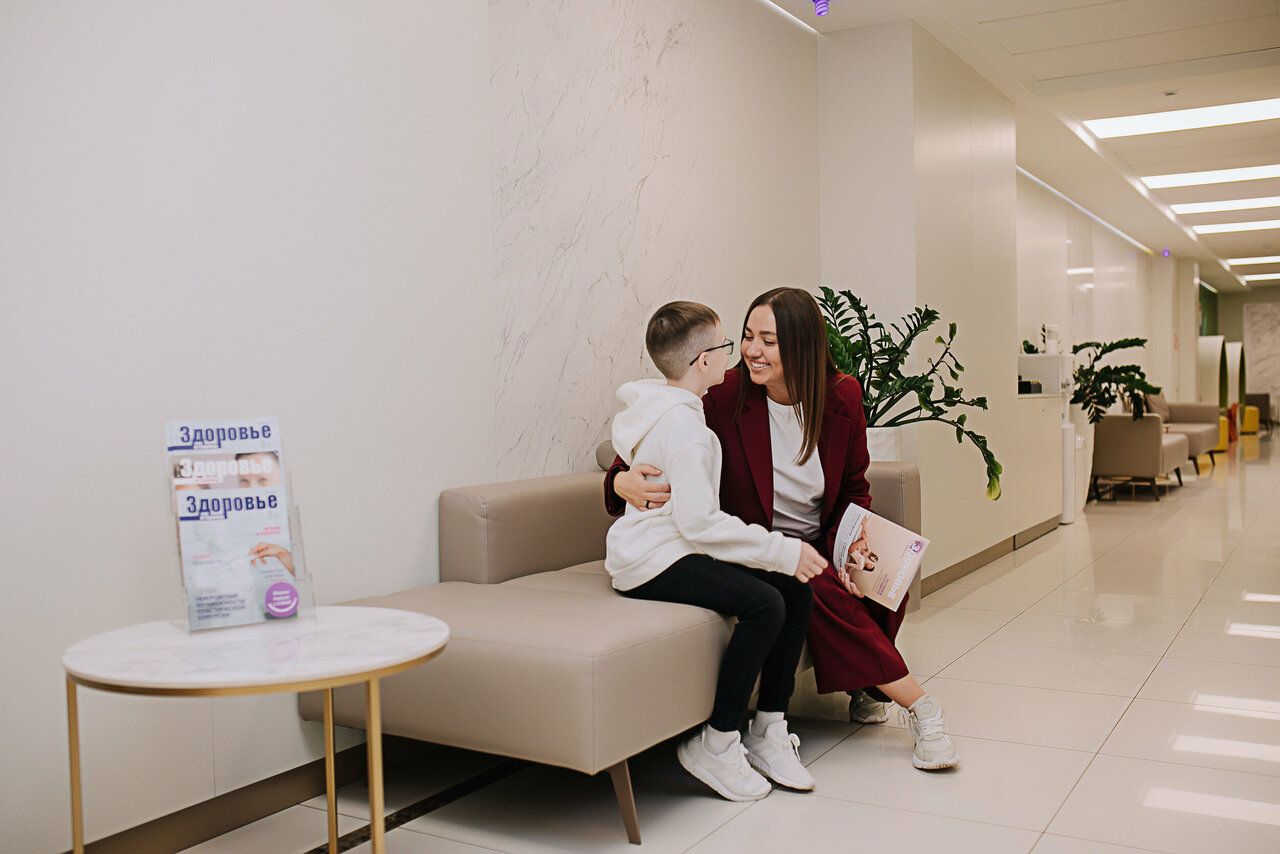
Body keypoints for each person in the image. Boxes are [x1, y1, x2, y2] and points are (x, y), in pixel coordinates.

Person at [607, 287, 958, 770]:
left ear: (801, 345)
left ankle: (866, 685)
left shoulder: (843, 396)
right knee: (813, 586)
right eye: (747, 336)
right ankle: (921, 707)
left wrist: (850, 545)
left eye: (768, 341)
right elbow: (653, 435)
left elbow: (854, 486)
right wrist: (618, 479)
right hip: (757, 544)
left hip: (820, 538)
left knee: (875, 579)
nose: (751, 350)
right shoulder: (723, 393)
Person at [605, 300, 829, 802]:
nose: (739, 353)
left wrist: (784, 562)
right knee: (764, 603)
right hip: (652, 559)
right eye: (731, 343)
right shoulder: (686, 429)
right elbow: (700, 523)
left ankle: (768, 727)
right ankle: (719, 740)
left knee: (793, 591)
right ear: (705, 360)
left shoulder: (668, 408)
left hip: (673, 546)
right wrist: (783, 550)